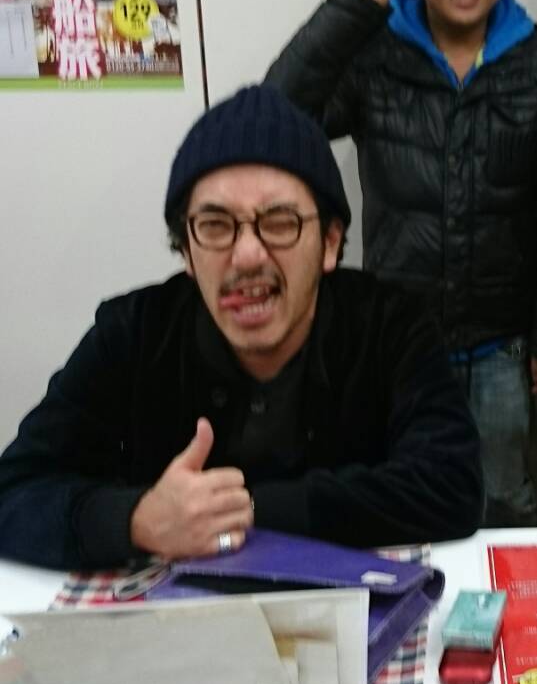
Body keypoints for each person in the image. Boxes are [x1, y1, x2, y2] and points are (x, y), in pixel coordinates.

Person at [0, 84, 484, 570]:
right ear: (187, 251)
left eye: (280, 222)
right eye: (215, 225)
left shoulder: (392, 326)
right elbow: (14, 492)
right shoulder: (132, 333)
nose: (248, 255)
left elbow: (453, 485)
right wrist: (136, 520)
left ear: (330, 243)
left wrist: (245, 511)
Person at [265, 0, 537, 524]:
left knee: (501, 502)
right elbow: (279, 113)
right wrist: (352, 8)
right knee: (401, 497)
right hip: (399, 337)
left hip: (503, 344)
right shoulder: (376, 51)